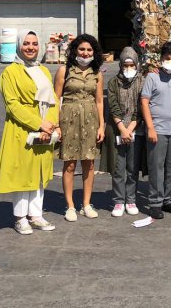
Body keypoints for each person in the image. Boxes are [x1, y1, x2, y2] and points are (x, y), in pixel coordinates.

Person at [0, 30, 59, 235]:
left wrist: (52, 124)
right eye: (26, 44)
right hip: (21, 129)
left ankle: (36, 214)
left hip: (45, 129)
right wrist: (38, 123)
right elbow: (12, 105)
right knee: (22, 175)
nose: (30, 47)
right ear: (19, 46)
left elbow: (52, 100)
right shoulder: (10, 73)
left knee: (38, 174)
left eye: (34, 43)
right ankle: (21, 217)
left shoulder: (44, 71)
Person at [55, 34, 105, 222]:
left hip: (90, 120)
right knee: (69, 164)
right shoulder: (64, 71)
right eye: (82, 49)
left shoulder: (97, 73)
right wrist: (56, 125)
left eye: (89, 50)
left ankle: (86, 204)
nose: (85, 53)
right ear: (75, 50)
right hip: (68, 119)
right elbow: (55, 98)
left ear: (94, 52)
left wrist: (102, 125)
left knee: (89, 163)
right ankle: (70, 206)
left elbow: (99, 101)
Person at [140, 42, 171, 219]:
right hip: (158, 130)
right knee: (156, 167)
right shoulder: (152, 78)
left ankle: (168, 199)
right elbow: (145, 102)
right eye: (167, 58)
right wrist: (150, 127)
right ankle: (155, 202)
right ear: (161, 59)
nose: (170, 61)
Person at [107, 47, 144, 217]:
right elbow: (113, 105)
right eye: (125, 65)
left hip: (136, 128)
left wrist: (130, 128)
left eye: (132, 65)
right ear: (120, 65)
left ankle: (131, 200)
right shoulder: (113, 82)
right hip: (118, 130)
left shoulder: (142, 82)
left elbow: (141, 108)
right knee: (118, 168)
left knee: (132, 168)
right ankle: (118, 201)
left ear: (137, 65)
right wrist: (122, 128)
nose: (128, 68)